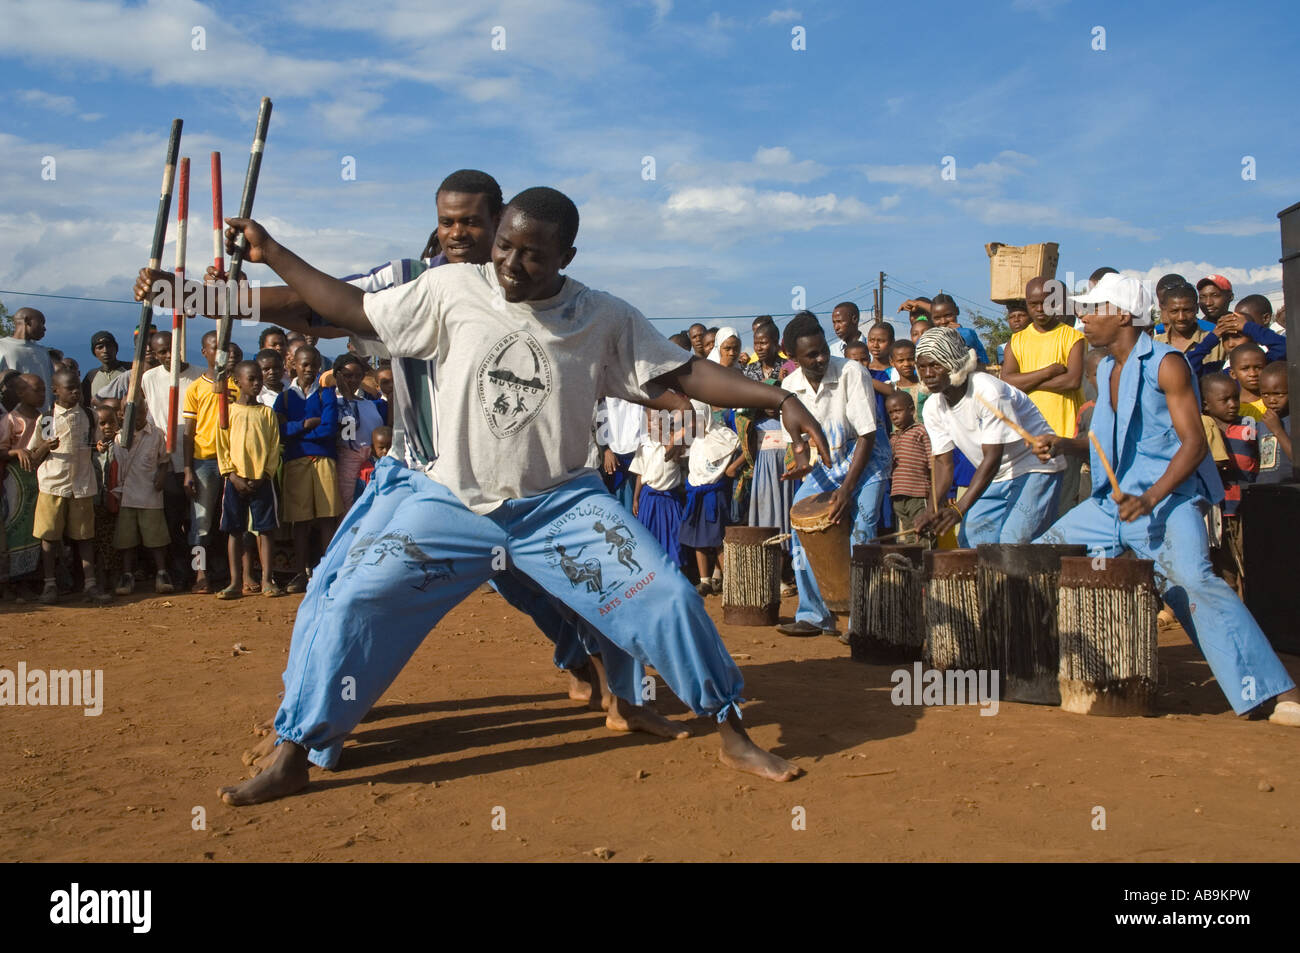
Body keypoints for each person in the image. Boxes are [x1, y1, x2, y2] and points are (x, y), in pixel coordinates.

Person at [213, 186, 830, 805]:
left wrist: (781, 398)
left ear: (567, 255)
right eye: (504, 246)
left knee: (666, 596)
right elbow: (349, 308)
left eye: (532, 255)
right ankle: (295, 752)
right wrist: (274, 253)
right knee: (352, 599)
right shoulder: (448, 288)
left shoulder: (602, 316)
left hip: (559, 507)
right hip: (447, 503)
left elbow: (682, 371)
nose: (510, 263)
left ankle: (732, 731)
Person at [1033, 272, 1300, 726]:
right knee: (1040, 558)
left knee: (1192, 582)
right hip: (1109, 506)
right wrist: (1062, 444)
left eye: (1091, 310)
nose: (1082, 320)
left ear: (1120, 315)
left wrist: (1151, 497)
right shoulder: (1111, 372)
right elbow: (1105, 447)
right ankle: (1064, 672)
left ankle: (1280, 693)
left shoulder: (1168, 363)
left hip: (1167, 501)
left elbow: (1193, 442)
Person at [776, 311, 890, 637]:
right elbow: (800, 444)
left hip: (866, 460)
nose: (821, 358)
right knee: (801, 522)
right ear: (793, 357)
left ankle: (861, 620)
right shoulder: (789, 386)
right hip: (828, 464)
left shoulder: (852, 372)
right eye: (811, 355)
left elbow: (867, 435)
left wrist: (847, 490)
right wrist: (802, 465)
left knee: (862, 528)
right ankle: (814, 614)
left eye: (823, 349)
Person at [913, 326, 1064, 546]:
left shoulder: (987, 390)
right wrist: (931, 510)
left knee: (1014, 542)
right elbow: (943, 465)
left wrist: (959, 509)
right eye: (923, 367)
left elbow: (992, 457)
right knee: (972, 539)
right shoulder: (933, 408)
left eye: (936, 365)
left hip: (1034, 468)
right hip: (997, 476)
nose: (928, 374)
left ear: (954, 362)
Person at [28, 367, 111, 605]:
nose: (76, 392)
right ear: (56, 391)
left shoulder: (88, 415)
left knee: (85, 536)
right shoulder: (47, 419)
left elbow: (95, 442)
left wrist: (100, 446)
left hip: (82, 484)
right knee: (49, 537)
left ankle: (90, 584)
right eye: (70, 389)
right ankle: (50, 584)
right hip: (53, 485)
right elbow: (34, 456)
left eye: (78, 388)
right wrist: (46, 446)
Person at [1001, 276, 1086, 505]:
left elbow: (1072, 381)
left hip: (1065, 435)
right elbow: (1007, 381)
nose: (1040, 309)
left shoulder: (1073, 337)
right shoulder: (1016, 341)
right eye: (1034, 304)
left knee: (1063, 503)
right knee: (1032, 505)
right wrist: (1048, 372)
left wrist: (1026, 381)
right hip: (1028, 438)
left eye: (1047, 302)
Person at [273, 344, 340, 592]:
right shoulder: (286, 397)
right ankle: (300, 574)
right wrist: (306, 424)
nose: (309, 369)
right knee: (299, 522)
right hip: (296, 462)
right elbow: (279, 432)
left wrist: (297, 431)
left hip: (323, 461)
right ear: (294, 366)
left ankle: (327, 573)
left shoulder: (326, 394)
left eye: (313, 364)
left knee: (326, 519)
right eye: (304, 364)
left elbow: (329, 429)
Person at [680, 327, 742, 594]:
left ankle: (728, 579)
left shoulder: (740, 380)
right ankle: (708, 579)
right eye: (726, 348)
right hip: (704, 460)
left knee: (724, 527)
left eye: (735, 348)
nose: (732, 353)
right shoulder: (707, 379)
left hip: (733, 461)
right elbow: (696, 423)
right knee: (704, 523)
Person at [216, 361, 284, 599]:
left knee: (265, 530)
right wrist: (232, 475)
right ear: (237, 382)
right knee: (234, 530)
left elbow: (274, 447)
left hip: (261, 480)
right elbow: (222, 448)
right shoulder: (228, 412)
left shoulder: (267, 413)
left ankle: (267, 580)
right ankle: (235, 582)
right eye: (251, 379)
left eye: (259, 379)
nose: (257, 383)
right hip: (235, 481)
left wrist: (265, 474)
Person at [139, 330, 202, 585]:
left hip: (196, 456)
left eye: (170, 350)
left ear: (179, 348)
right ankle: (179, 571)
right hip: (166, 460)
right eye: (161, 352)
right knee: (173, 519)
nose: (167, 356)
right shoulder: (149, 378)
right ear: (154, 354)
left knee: (199, 521)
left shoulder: (198, 376)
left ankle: (205, 570)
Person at [182, 330, 239, 593]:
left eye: (223, 348)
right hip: (204, 460)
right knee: (201, 522)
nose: (220, 353)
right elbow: (188, 432)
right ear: (204, 352)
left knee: (234, 520)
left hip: (234, 461)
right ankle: (200, 573)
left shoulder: (238, 384)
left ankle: (238, 573)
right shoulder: (196, 388)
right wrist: (187, 470)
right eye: (214, 348)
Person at [110, 394, 174, 595]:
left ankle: (162, 573)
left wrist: (162, 477)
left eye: (140, 412)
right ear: (121, 415)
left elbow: (164, 460)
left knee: (156, 538)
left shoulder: (156, 435)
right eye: (130, 413)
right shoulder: (119, 438)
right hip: (127, 496)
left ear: (146, 411)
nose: (136, 416)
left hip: (150, 494)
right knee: (127, 540)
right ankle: (127, 575)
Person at [1200, 372, 1257, 593]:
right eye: (1225, 400)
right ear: (1206, 404)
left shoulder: (1249, 426)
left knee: (1249, 564)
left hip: (1244, 508)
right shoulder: (1201, 428)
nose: (1233, 405)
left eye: (1236, 397)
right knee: (1224, 571)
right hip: (1217, 511)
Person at [330, 353, 387, 511]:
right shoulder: (335, 402)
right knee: (348, 506)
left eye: (357, 376)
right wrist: (347, 396)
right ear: (338, 376)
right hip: (348, 463)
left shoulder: (370, 404)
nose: (353, 380)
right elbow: (350, 427)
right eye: (348, 376)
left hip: (371, 462)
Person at [629, 408, 684, 566]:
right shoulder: (645, 445)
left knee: (674, 538)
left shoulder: (676, 442)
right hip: (649, 497)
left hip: (670, 499)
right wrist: (636, 498)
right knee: (649, 537)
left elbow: (672, 455)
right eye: (649, 420)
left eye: (657, 420)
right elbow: (640, 472)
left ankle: (676, 572)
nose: (652, 424)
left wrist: (665, 437)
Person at [886, 391, 931, 537]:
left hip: (918, 494)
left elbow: (933, 463)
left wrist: (933, 495)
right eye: (891, 413)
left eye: (898, 411)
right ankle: (914, 560)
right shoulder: (892, 438)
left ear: (911, 410)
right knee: (908, 533)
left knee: (923, 532)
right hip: (898, 495)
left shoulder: (921, 431)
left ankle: (925, 560)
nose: (894, 416)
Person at [0, 308, 54, 411]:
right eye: (41, 323)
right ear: (27, 320)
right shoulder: (2, 347)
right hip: (11, 418)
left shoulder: (42, 352)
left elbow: (52, 385)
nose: (44, 328)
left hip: (43, 418)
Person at [1255, 362, 1292, 484]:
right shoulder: (1262, 422)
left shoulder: (1294, 421)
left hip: (1291, 489)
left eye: (1278, 394)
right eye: (1265, 395)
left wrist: (1277, 430)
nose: (1272, 400)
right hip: (1266, 490)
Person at [928, 293, 989, 365]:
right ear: (931, 318)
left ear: (957, 311)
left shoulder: (967, 334)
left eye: (948, 315)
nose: (943, 322)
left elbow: (984, 362)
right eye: (937, 318)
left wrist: (960, 332)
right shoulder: (927, 339)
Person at [1153, 282, 1207, 354]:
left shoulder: (1216, 343)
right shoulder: (1155, 345)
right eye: (1174, 311)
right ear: (1166, 311)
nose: (1181, 318)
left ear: (1197, 309)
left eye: (1186, 310)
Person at [81, 331, 130, 406]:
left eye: (109, 346)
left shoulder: (130, 370)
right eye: (100, 347)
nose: (105, 350)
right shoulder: (91, 376)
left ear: (116, 348)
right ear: (94, 352)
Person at [1227, 342, 1267, 420]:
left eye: (1258, 367)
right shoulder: (1231, 407)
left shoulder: (1273, 403)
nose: (1252, 374)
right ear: (1233, 374)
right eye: (1245, 369)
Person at [354, 424, 392, 498]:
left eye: (389, 447)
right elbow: (359, 495)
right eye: (381, 448)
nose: (386, 451)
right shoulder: (366, 470)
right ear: (373, 449)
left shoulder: (400, 466)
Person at [889, 339, 925, 412]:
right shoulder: (891, 388)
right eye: (901, 361)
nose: (906, 364)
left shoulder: (925, 386)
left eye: (911, 359)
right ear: (892, 362)